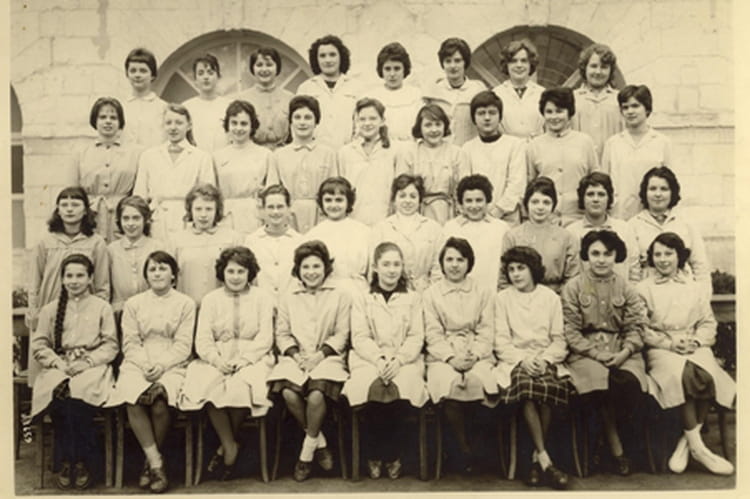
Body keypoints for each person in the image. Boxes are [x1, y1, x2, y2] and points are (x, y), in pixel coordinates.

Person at [637, 233, 735, 475]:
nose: (663, 259)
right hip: (662, 348)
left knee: (707, 373)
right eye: (657, 254)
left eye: (668, 253)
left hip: (694, 344)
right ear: (651, 258)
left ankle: (688, 443)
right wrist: (670, 344)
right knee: (683, 375)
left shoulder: (694, 288)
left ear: (679, 256)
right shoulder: (643, 289)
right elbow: (640, 329)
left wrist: (697, 341)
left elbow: (708, 323)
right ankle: (699, 449)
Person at [180, 247, 275, 480]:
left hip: (253, 357)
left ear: (250, 272)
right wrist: (216, 360)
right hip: (217, 356)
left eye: (241, 271)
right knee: (209, 386)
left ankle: (225, 449)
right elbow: (203, 339)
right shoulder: (211, 300)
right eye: (230, 271)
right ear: (222, 272)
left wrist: (245, 359)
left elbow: (265, 337)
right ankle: (230, 444)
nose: (235, 277)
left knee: (240, 387)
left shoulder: (262, 298)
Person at [561, 230, 649, 476]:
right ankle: (610, 447)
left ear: (616, 256)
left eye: (607, 254)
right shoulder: (573, 287)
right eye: (595, 254)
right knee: (598, 384)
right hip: (585, 353)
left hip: (622, 349)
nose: (601, 260)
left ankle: (621, 443)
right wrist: (596, 354)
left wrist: (625, 352)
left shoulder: (626, 287)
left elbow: (636, 327)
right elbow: (570, 331)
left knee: (628, 382)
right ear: (586, 256)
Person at [108, 250, 196, 493]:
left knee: (159, 403)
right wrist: (144, 363)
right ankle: (157, 463)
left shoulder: (186, 303)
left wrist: (162, 365)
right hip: (138, 360)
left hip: (173, 361)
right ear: (146, 275)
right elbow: (130, 342)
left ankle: (149, 462)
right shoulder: (133, 304)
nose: (157, 273)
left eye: (163, 268)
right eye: (152, 269)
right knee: (133, 396)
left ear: (173, 275)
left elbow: (183, 344)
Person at [30, 254, 118, 490]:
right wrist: (57, 363)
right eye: (69, 275)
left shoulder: (102, 307)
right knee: (59, 393)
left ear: (90, 278)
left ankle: (81, 462)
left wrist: (88, 361)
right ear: (62, 279)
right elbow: (39, 345)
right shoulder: (50, 310)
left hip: (93, 367)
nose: (74, 281)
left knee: (79, 394)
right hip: (59, 365)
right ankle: (68, 460)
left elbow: (111, 345)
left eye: (80, 275)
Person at [343, 242, 428, 479]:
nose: (392, 270)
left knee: (402, 386)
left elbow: (416, 336)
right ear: (375, 267)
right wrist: (379, 359)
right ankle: (373, 453)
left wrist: (399, 360)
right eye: (386, 264)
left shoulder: (413, 298)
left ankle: (392, 454)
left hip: (405, 359)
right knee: (371, 386)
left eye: (396, 264)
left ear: (403, 267)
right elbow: (360, 336)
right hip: (368, 359)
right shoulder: (362, 298)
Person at [267, 241, 351, 481]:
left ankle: (305, 454)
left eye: (316, 266)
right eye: (305, 267)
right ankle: (319, 442)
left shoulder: (340, 295)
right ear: (298, 269)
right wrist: (296, 355)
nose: (311, 272)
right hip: (297, 358)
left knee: (315, 396)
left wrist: (319, 356)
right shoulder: (288, 297)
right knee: (289, 393)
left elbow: (342, 333)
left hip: (328, 357)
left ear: (326, 268)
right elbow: (282, 334)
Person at [493, 246, 570, 489]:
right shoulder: (502, 299)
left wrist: (545, 360)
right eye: (511, 269)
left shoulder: (550, 298)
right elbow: (501, 341)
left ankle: (536, 462)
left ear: (533, 269)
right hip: (515, 360)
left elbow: (559, 339)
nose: (516, 274)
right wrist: (522, 360)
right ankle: (546, 461)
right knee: (527, 388)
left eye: (521, 268)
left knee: (546, 390)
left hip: (546, 358)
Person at [422, 237, 498, 473]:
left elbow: (487, 330)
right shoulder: (431, 294)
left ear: (469, 263)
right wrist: (451, 358)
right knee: (451, 383)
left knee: (480, 382)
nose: (454, 265)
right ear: (442, 263)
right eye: (449, 259)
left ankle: (478, 447)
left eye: (460, 260)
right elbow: (432, 334)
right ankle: (462, 450)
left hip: (476, 352)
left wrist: (474, 355)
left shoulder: (482, 291)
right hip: (443, 354)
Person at [26, 187, 111, 387]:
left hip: (82, 313)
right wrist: (34, 309)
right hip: (50, 307)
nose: (69, 209)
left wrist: (97, 314)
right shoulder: (45, 242)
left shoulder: (96, 242)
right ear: (58, 210)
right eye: (64, 205)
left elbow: (102, 284)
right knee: (48, 369)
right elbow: (34, 280)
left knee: (82, 374)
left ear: (85, 210)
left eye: (75, 204)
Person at [133, 103, 216, 241]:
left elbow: (208, 196)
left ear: (189, 125)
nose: (173, 127)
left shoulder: (202, 157)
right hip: (157, 220)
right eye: (168, 123)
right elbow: (139, 196)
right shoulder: (149, 156)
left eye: (179, 123)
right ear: (163, 126)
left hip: (188, 219)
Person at [628, 166, 711, 301]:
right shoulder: (633, 225)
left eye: (664, 189)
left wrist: (703, 299)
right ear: (645, 192)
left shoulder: (686, 223)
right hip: (649, 296)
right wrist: (636, 303)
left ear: (672, 192)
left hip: (684, 294)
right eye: (652, 189)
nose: (658, 194)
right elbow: (632, 272)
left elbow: (700, 266)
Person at [527, 87, 599, 226]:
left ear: (569, 113)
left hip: (579, 218)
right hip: (546, 218)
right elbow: (530, 184)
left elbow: (595, 178)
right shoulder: (534, 145)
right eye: (549, 112)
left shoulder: (585, 142)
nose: (554, 117)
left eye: (559, 111)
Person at [266, 95, 338, 234]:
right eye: (297, 117)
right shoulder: (278, 155)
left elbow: (333, 189)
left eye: (308, 117)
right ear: (291, 121)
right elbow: (272, 192)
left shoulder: (328, 153)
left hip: (320, 215)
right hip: (289, 216)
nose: (302, 122)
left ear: (316, 121)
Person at [602, 84, 672, 220]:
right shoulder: (612, 143)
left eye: (635, 106)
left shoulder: (662, 142)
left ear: (647, 109)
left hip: (652, 215)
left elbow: (670, 184)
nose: (630, 111)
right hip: (620, 215)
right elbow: (605, 184)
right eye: (625, 107)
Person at [74, 97, 139, 243]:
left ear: (120, 122)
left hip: (123, 216)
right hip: (91, 216)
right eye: (102, 117)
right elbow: (74, 191)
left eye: (113, 118)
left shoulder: (135, 153)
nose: (108, 121)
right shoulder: (81, 153)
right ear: (95, 121)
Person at [499, 177, 579, 293]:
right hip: (519, 296)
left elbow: (572, 277)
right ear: (526, 204)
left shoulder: (566, 237)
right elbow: (503, 277)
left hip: (556, 296)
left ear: (553, 205)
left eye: (546, 202)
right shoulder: (512, 236)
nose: (540, 207)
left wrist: (557, 298)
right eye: (535, 202)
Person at [459, 90, 526, 224]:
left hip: (507, 217)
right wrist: (479, 213)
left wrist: (497, 212)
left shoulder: (514, 145)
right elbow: (464, 185)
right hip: (475, 216)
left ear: (500, 116)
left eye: (492, 112)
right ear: (473, 118)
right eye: (481, 113)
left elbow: (517, 184)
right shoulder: (467, 148)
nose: (487, 118)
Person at [171, 184, 243, 305]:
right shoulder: (176, 240)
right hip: (187, 308)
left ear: (217, 210)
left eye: (209, 209)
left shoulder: (232, 238)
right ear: (190, 210)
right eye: (198, 209)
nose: (203, 215)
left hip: (222, 307)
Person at [370, 175, 443, 292]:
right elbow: (374, 267)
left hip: (425, 290)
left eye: (413, 196)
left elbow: (438, 268)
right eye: (402, 196)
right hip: (391, 290)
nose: (407, 201)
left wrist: (431, 292)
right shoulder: (381, 228)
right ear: (394, 199)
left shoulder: (433, 228)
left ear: (420, 200)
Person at [212, 100, 272, 235]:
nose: (238, 128)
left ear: (252, 126)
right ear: (227, 125)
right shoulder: (217, 157)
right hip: (226, 216)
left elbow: (271, 192)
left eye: (244, 124)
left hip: (255, 215)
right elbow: (213, 192)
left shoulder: (265, 155)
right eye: (234, 123)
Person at [566, 172, 640, 282]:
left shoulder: (624, 229)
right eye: (590, 194)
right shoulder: (571, 232)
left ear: (609, 198)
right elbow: (570, 274)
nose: (596, 199)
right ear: (582, 198)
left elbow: (634, 270)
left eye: (601, 194)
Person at [441, 174, 510, 292]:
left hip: (492, 292)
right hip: (459, 293)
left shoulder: (501, 228)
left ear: (487, 201)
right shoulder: (450, 228)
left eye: (479, 200)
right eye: (468, 201)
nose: (474, 206)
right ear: (461, 203)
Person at [396, 104, 461, 224]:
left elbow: (462, 189)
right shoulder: (410, 153)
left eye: (438, 124)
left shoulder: (456, 152)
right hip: (418, 212)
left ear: (445, 126)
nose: (434, 130)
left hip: (448, 213)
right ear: (419, 127)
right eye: (428, 125)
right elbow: (402, 189)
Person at [306, 176, 371, 294]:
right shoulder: (313, 235)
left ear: (348, 201)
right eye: (328, 200)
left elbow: (371, 271)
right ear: (321, 202)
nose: (333, 205)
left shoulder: (364, 232)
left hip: (358, 292)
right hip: (326, 293)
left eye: (339, 200)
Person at [338, 97, 398, 226]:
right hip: (355, 221)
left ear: (382, 121)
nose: (367, 123)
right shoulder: (345, 152)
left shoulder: (394, 150)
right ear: (356, 121)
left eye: (373, 118)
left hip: (385, 220)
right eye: (362, 119)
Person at [108, 195, 169, 314]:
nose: (130, 223)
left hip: (151, 309)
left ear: (145, 220)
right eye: (126, 218)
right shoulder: (111, 250)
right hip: (120, 310)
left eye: (136, 218)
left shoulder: (157, 247)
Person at [296, 35, 359, 148]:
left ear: (341, 57)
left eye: (332, 55)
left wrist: (353, 149)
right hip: (315, 151)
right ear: (316, 59)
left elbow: (361, 122)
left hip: (348, 150)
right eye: (322, 56)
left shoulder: (356, 87)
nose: (328, 60)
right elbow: (298, 124)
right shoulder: (306, 88)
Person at [423, 37, 486, 145]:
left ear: (465, 62)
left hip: (469, 151)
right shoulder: (433, 91)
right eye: (448, 61)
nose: (453, 66)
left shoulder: (478, 90)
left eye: (457, 61)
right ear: (442, 64)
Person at [244, 184, 303, 299]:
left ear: (289, 208)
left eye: (280, 207)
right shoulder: (252, 241)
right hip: (261, 304)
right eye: (270, 207)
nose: (275, 212)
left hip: (292, 304)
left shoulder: (299, 241)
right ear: (263, 210)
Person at [234, 47, 294, 149]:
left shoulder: (289, 98)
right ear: (252, 68)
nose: (264, 69)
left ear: (277, 67)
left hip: (283, 152)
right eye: (259, 65)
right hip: (252, 153)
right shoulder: (242, 99)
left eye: (269, 65)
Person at [571, 43, 623, 158]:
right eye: (593, 66)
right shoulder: (573, 99)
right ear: (585, 68)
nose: (598, 72)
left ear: (610, 71)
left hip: (612, 163)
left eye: (604, 67)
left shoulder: (619, 99)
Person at [365, 42, 423, 142]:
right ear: (381, 70)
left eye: (397, 68)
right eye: (387, 69)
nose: (392, 74)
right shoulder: (371, 97)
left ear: (404, 69)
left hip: (409, 147)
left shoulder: (417, 95)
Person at [492, 39, 545, 139]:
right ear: (506, 65)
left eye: (524, 61)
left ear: (531, 64)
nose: (519, 65)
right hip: (507, 147)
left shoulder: (542, 93)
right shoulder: (496, 94)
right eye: (513, 61)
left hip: (537, 146)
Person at [121, 47, 167, 150]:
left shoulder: (163, 108)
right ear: (127, 74)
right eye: (133, 71)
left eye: (143, 71)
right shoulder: (121, 107)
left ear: (152, 75)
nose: (137, 75)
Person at [182, 53, 230, 152]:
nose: (206, 77)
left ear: (218, 76)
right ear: (195, 79)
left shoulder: (229, 106)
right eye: (201, 73)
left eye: (210, 72)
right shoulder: (186, 107)